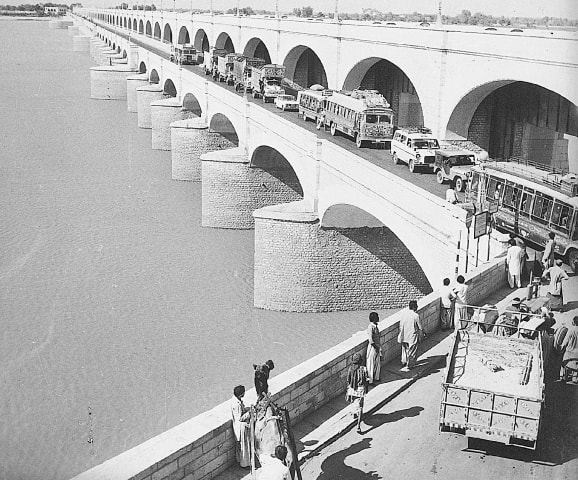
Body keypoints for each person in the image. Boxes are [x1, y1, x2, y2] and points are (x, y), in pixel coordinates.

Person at [397, 300, 424, 371]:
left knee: (405, 349)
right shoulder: (416, 316)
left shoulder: (404, 314)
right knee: (412, 350)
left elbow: (400, 325)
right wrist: (422, 334)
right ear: (415, 307)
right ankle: (410, 364)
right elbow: (420, 327)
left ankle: (404, 361)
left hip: (404, 334)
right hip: (412, 336)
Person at [346, 352, 369, 433]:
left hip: (352, 389)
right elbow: (366, 380)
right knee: (360, 407)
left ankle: (354, 414)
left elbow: (348, 380)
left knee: (353, 403)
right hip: (360, 389)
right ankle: (358, 426)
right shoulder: (364, 369)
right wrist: (366, 389)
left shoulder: (350, 369)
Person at [231, 385, 252, 468]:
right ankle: (244, 464)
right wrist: (249, 413)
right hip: (240, 427)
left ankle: (240, 461)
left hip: (239, 427)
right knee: (244, 447)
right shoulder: (236, 404)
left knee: (240, 447)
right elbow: (240, 418)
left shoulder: (237, 401)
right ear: (240, 394)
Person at [560, 316, 578, 383]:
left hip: (570, 352)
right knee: (576, 366)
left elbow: (566, 341)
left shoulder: (571, 330)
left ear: (573, 322)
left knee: (565, 365)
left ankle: (565, 377)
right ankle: (575, 378)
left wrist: (562, 347)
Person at [366, 312, 381, 385]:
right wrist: (375, 347)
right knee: (371, 364)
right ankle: (370, 380)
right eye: (377, 317)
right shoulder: (370, 327)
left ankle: (376, 377)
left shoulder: (375, 326)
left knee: (377, 363)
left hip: (377, 347)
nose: (378, 318)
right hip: (373, 347)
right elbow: (370, 340)